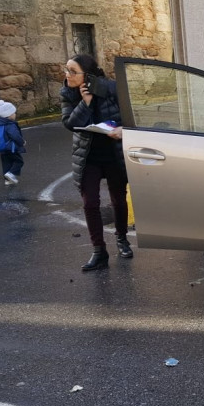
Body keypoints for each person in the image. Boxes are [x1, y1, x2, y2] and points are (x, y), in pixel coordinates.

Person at [60, 53, 133, 271]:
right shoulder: (67, 92)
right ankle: (99, 251)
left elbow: (131, 117)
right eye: (66, 69)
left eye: (73, 71)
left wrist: (123, 130)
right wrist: (85, 103)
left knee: (118, 201)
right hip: (88, 155)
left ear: (88, 75)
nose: (68, 75)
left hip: (113, 153)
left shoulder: (111, 88)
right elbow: (70, 124)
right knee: (90, 203)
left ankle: (122, 239)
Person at [0, 100, 26, 185]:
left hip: (2, 147)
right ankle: (11, 174)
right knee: (19, 161)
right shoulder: (9, 124)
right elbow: (15, 135)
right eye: (14, 113)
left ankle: (7, 179)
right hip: (11, 147)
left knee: (6, 162)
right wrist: (21, 142)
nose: (15, 114)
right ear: (8, 115)